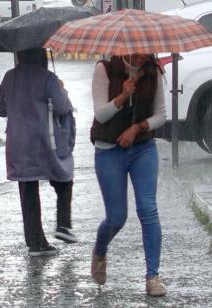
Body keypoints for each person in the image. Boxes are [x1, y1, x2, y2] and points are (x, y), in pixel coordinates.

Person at [90, 54, 167, 296]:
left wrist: (137, 128)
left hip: (143, 148)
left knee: (148, 208)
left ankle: (152, 276)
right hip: (109, 149)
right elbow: (100, 115)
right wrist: (122, 96)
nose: (144, 53)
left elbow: (161, 114)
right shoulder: (104, 69)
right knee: (117, 217)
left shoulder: (154, 72)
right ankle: (100, 250)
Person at [0, 48, 77, 257]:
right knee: (63, 179)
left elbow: (1, 110)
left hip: (18, 142)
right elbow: (62, 107)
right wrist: (62, 88)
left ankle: (35, 243)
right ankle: (63, 224)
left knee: (28, 190)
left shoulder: (9, 77)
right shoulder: (48, 78)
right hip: (44, 141)